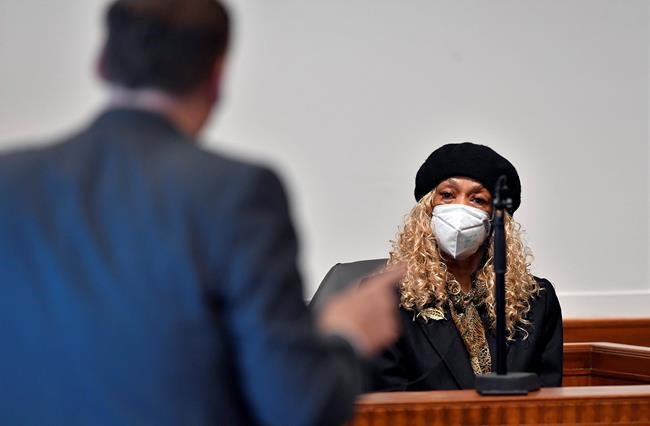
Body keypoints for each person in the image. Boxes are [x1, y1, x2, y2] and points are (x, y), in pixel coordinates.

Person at [0, 1, 403, 425]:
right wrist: (346, 334)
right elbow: (299, 409)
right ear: (216, 76)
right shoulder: (239, 192)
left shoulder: (10, 180)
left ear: (100, 63)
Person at [371, 142, 563, 391]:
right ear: (427, 209)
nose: (460, 209)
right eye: (447, 195)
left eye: (478, 199)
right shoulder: (386, 298)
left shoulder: (536, 301)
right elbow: (385, 400)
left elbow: (548, 397)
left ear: (495, 218)